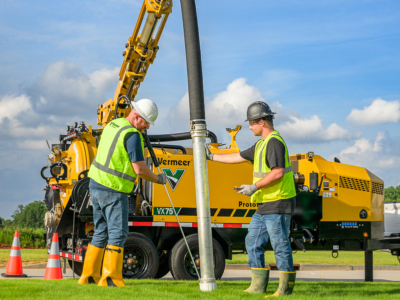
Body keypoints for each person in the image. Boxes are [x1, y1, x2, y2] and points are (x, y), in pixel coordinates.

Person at [205, 101, 297, 297]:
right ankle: (258, 285)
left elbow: (278, 173)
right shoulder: (261, 144)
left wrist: (254, 187)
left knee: (280, 245)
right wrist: (211, 157)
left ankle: (285, 289)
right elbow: (236, 156)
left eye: (252, 122)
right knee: (252, 243)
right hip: (264, 204)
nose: (249, 126)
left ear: (262, 122)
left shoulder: (274, 142)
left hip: (278, 203)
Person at [78, 98, 167, 287]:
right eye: (146, 122)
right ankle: (111, 279)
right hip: (114, 189)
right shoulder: (132, 135)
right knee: (118, 233)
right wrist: (159, 179)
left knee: (100, 231)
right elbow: (140, 169)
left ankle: (89, 277)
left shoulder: (113, 124)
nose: (147, 127)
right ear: (137, 117)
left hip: (95, 186)